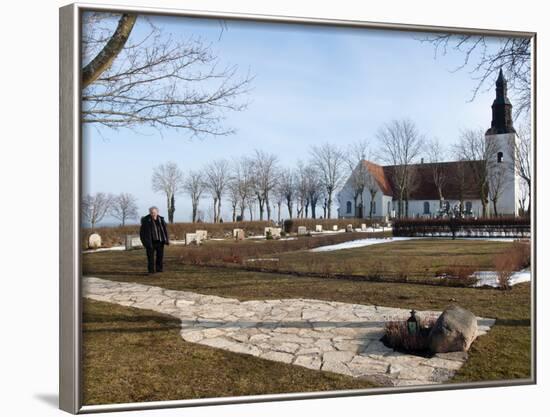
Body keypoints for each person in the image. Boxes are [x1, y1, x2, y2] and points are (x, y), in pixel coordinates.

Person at [139, 206, 170, 274]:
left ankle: (159, 269)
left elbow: (165, 230)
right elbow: (141, 233)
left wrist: (166, 239)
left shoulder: (161, 219)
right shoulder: (146, 220)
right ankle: (151, 271)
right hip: (150, 242)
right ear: (150, 213)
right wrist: (145, 242)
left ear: (157, 212)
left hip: (160, 241)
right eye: (151, 213)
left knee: (160, 256)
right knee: (150, 258)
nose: (153, 214)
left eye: (154, 212)